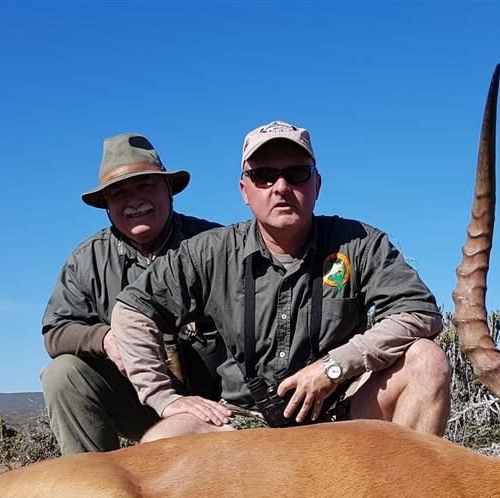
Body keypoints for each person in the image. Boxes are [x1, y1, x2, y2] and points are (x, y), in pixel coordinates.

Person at [112, 120, 451, 441]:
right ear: (245, 190)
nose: (281, 187)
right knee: (164, 438)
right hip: (241, 422)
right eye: (264, 176)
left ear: (316, 185)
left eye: (296, 174)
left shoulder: (360, 243)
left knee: (427, 361)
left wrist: (334, 367)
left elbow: (419, 313)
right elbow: (132, 310)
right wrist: (163, 399)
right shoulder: (208, 252)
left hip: (341, 417)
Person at [41, 133, 224, 455]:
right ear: (107, 206)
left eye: (145, 186)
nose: (134, 200)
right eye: (119, 193)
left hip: (218, 404)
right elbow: (56, 332)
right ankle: (92, 488)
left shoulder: (215, 245)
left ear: (169, 189)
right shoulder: (87, 261)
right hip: (139, 404)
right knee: (63, 374)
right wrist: (106, 339)